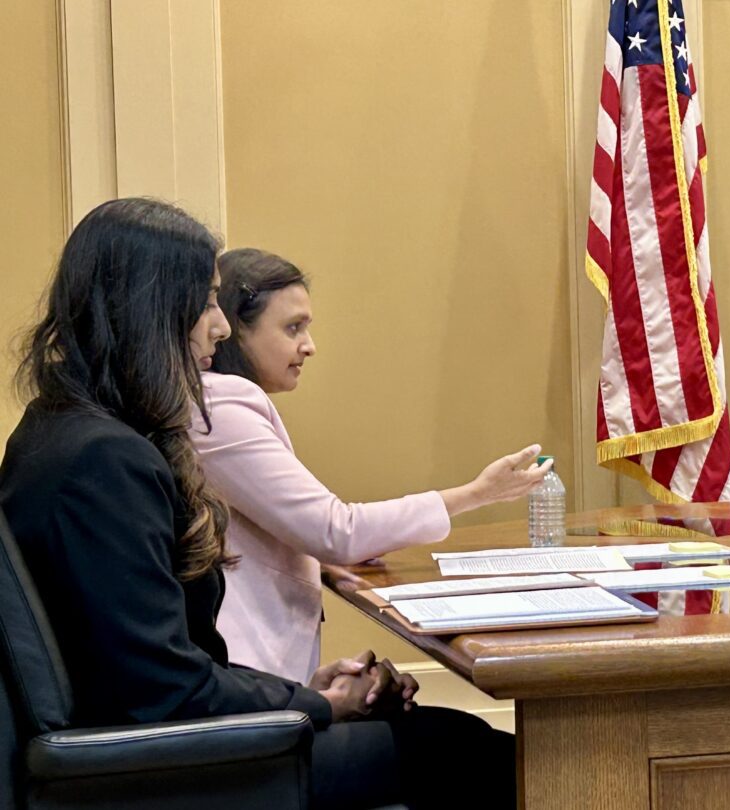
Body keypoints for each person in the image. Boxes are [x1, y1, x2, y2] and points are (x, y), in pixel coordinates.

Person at [0, 198, 513, 809]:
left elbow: (157, 661)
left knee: (453, 736)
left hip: (162, 747)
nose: (219, 326)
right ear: (151, 310)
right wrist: (318, 705)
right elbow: (163, 687)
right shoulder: (105, 461)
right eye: (206, 301)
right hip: (173, 770)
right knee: (469, 751)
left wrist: (295, 694)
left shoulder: (53, 427)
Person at [191, 247, 549, 684]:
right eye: (293, 328)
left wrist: (316, 560)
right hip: (251, 696)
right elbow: (336, 531)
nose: (310, 346)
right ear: (237, 330)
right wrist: (478, 493)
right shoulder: (219, 406)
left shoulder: (218, 402)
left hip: (266, 686)